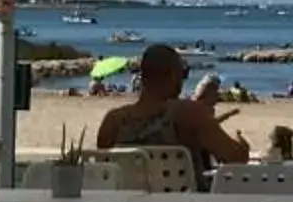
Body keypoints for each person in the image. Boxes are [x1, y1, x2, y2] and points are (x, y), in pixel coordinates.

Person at [96, 45, 251, 181]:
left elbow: (104, 170)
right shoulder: (189, 113)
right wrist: (243, 145)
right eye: (183, 73)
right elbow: (236, 158)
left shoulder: (113, 121)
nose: (183, 80)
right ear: (171, 74)